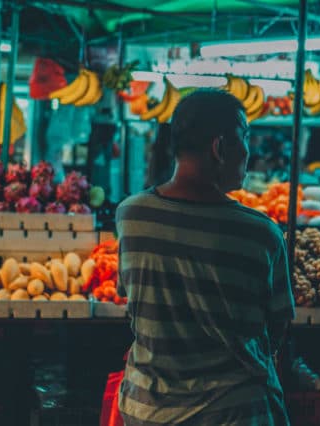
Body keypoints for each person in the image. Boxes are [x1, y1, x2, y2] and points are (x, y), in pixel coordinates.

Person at [116, 89, 295, 425]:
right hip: (233, 413)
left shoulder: (131, 215)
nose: (249, 150)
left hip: (147, 410)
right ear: (220, 147)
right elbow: (276, 327)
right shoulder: (261, 234)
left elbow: (130, 299)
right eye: (244, 136)